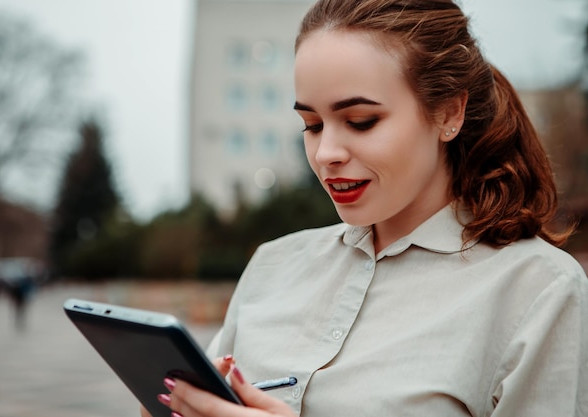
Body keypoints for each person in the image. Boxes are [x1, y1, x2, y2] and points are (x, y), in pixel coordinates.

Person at [145, 0, 588, 415]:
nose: (325, 154)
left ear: (450, 112)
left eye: (361, 121)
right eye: (312, 125)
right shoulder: (272, 265)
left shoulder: (540, 292)